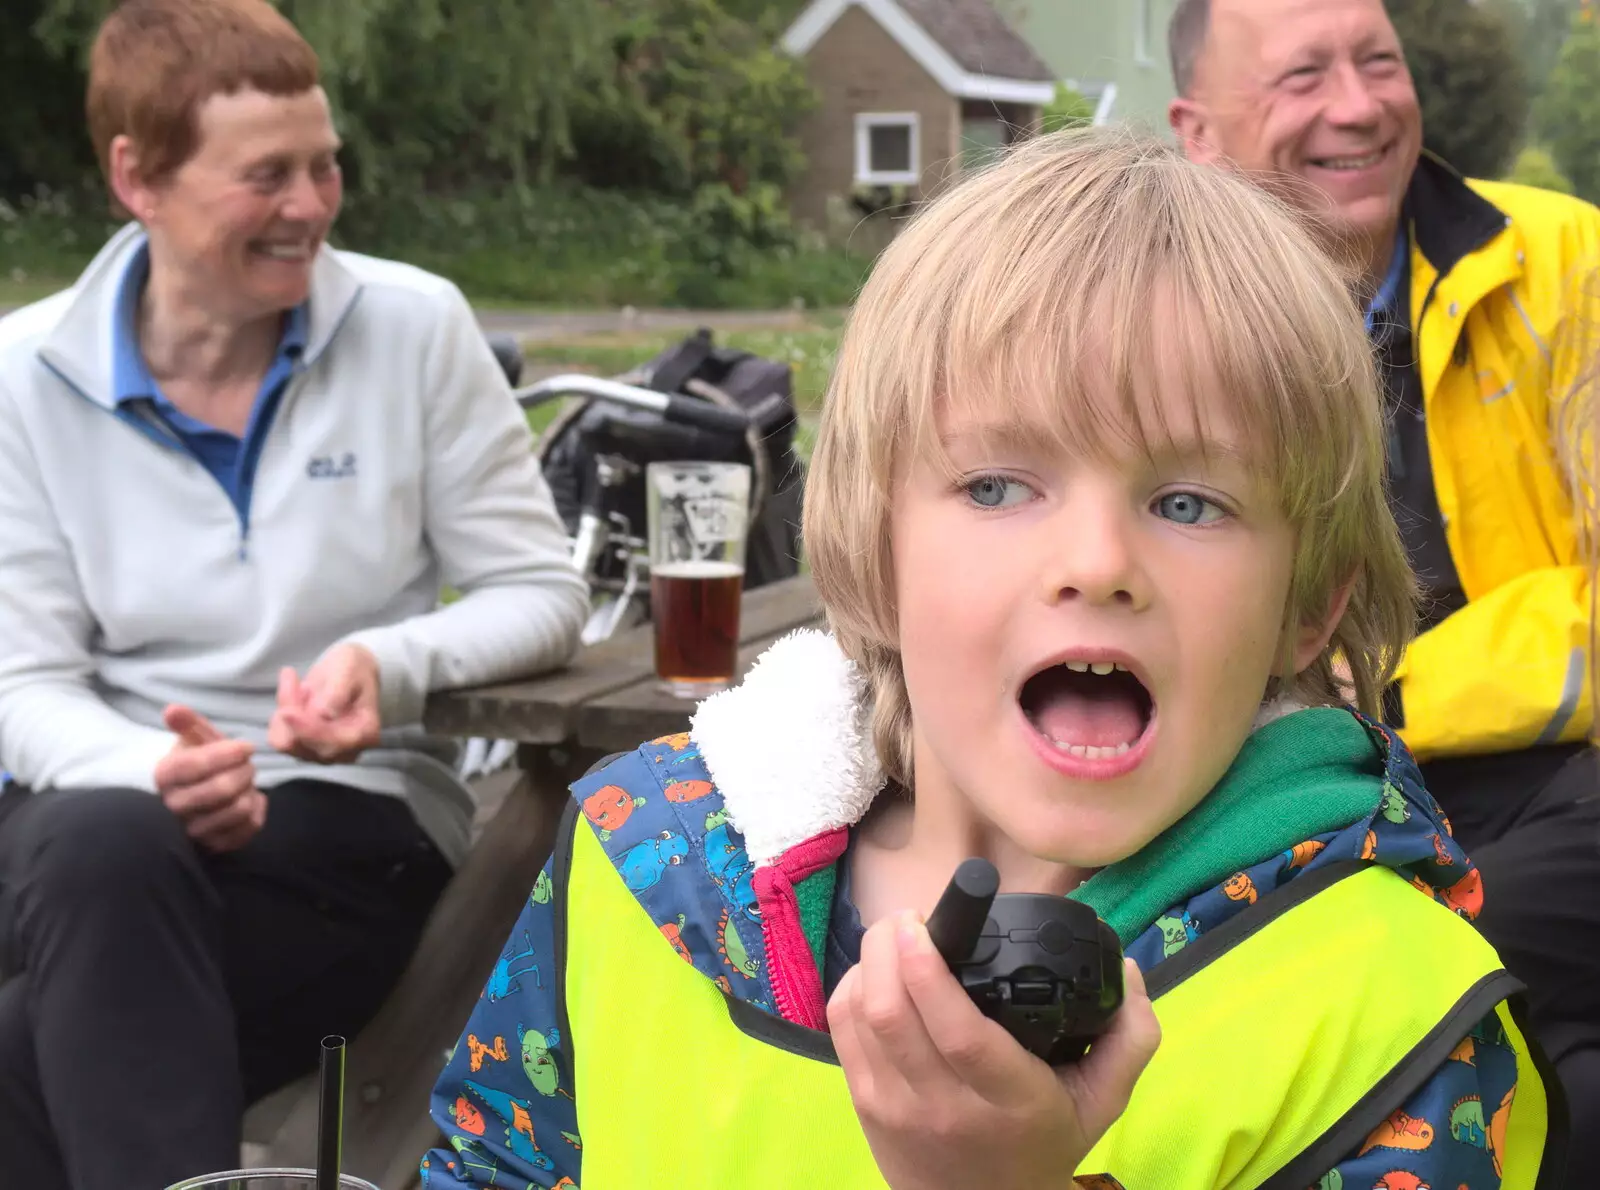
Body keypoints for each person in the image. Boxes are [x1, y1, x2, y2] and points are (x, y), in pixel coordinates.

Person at [419, 129, 1558, 1190]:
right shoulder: (644, 867)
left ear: (1306, 610)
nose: (1098, 561)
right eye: (998, 485)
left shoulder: (1384, 1005)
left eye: (1187, 500)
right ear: (876, 543)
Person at [0, 1, 589, 1186]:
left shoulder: (414, 326)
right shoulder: (22, 375)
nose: (313, 206)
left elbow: (538, 591)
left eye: (325, 167)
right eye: (266, 175)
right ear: (137, 178)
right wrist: (155, 773)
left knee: (30, 1027)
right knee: (105, 841)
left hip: (345, 818)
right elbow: (25, 681)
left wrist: (390, 662)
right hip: (101, 822)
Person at [1166, 0, 1599, 1174]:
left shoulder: (1565, 266)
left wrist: (1394, 684)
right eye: (1302, 75)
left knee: (1438, 964)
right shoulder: (1149, 333)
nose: (1357, 105)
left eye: (1377, 63)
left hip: (1553, 785)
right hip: (1277, 795)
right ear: (1193, 130)